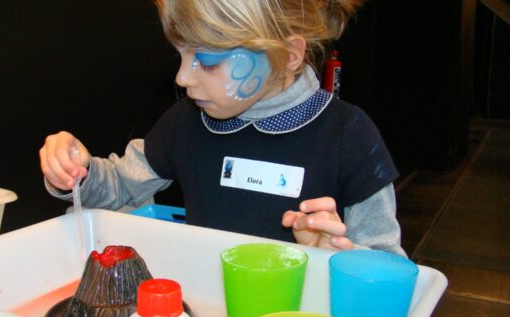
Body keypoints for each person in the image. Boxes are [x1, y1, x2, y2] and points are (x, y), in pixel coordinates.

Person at [39, 0, 406, 256]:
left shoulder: (349, 137)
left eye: (208, 61)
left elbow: (389, 269)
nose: (183, 77)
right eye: (180, 55)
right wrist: (75, 171)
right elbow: (118, 186)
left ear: (289, 55)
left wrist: (334, 258)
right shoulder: (187, 122)